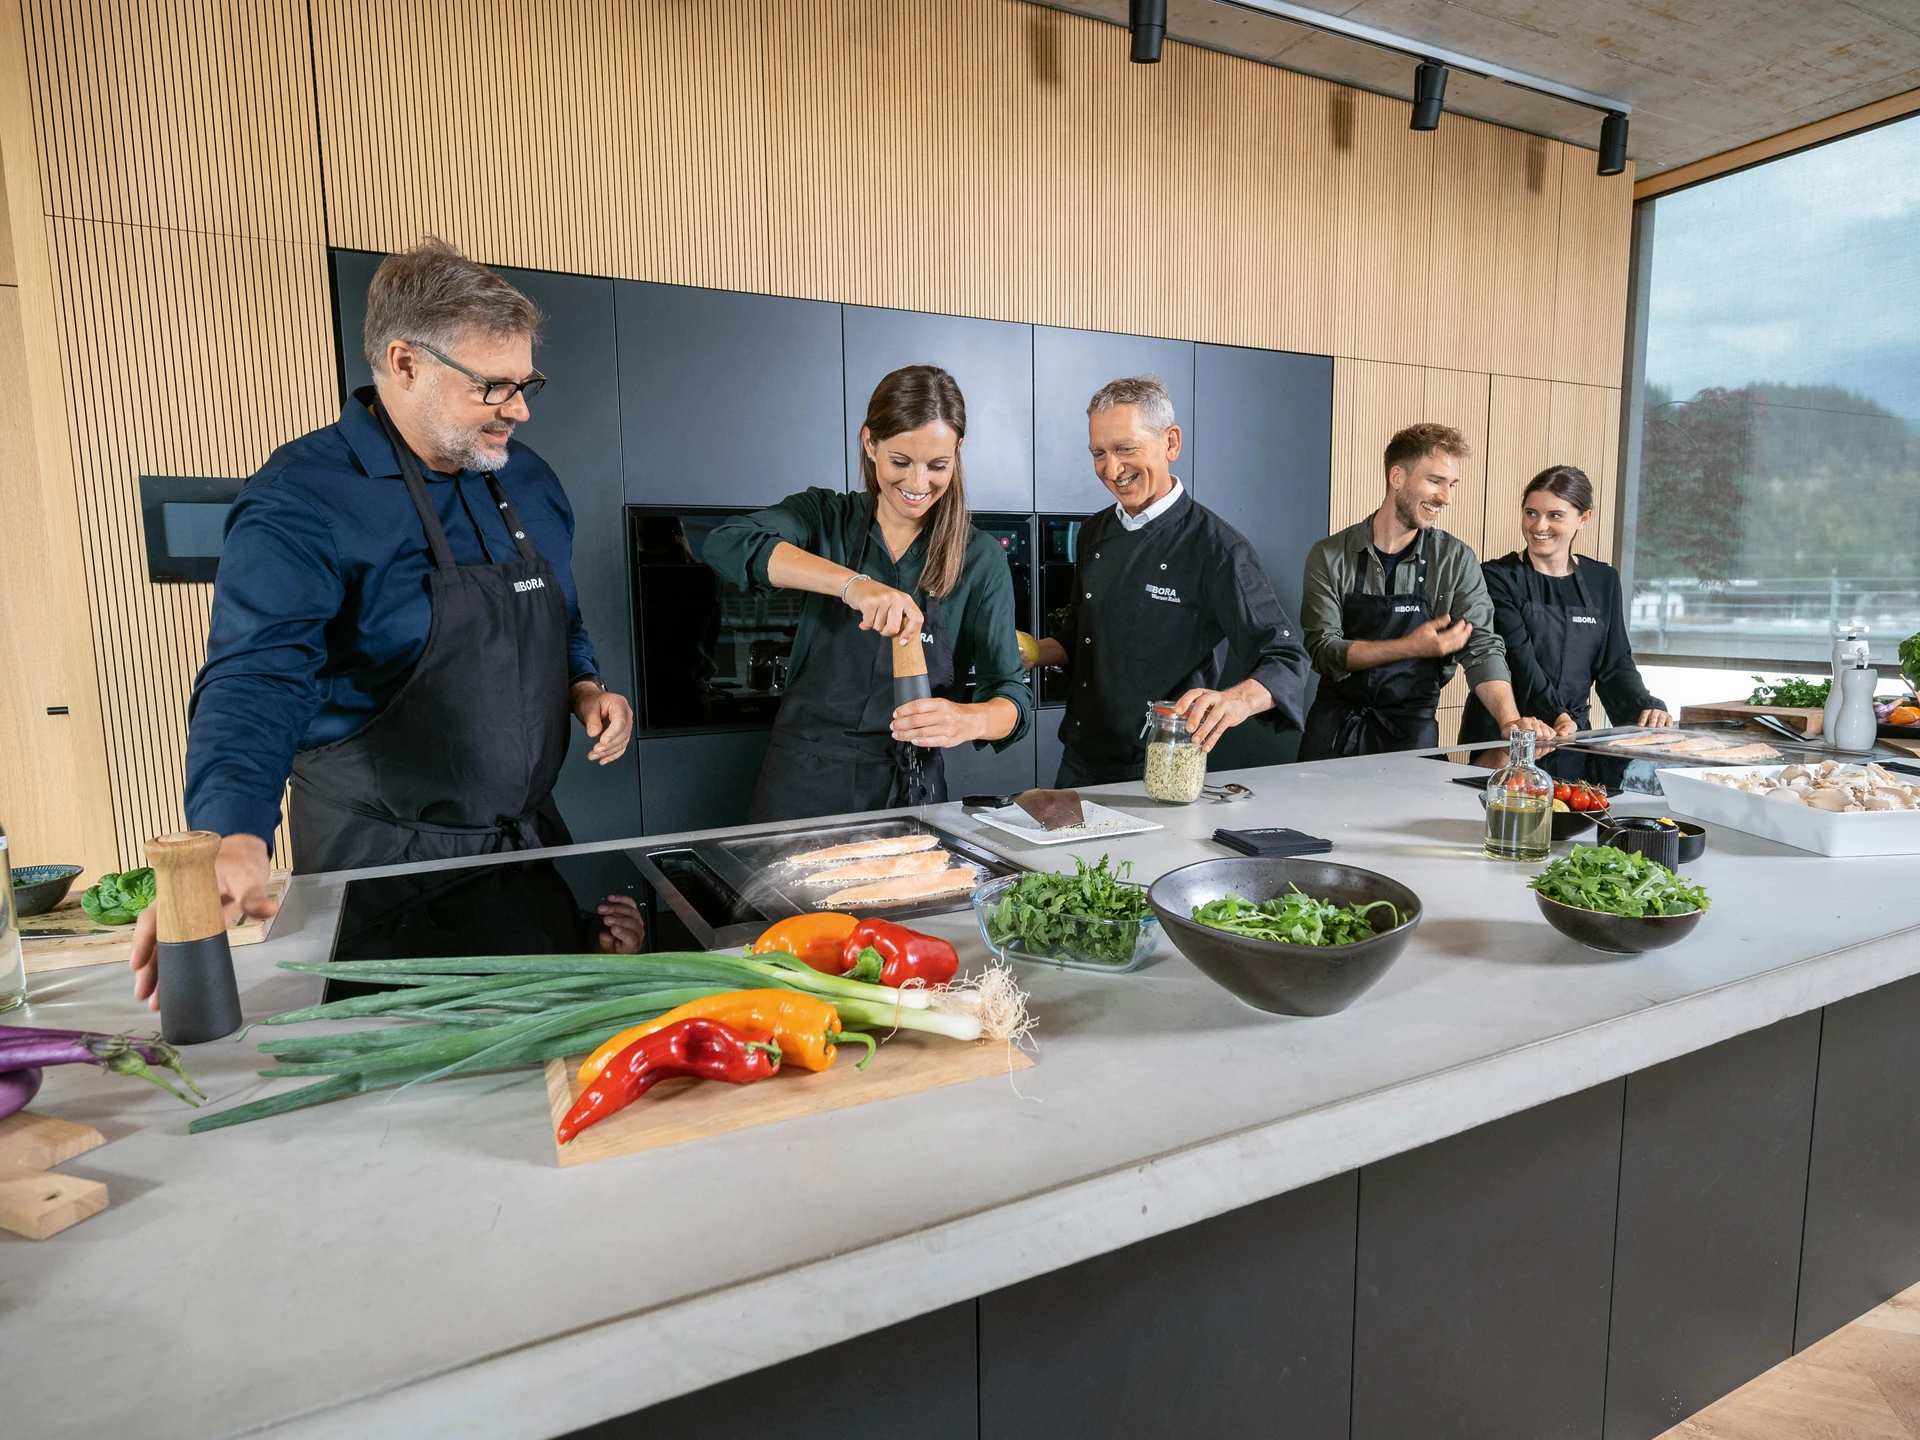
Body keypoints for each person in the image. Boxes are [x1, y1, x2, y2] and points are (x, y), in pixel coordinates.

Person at [129, 238, 636, 1007]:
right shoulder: (302, 498)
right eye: (494, 387)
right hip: (384, 880)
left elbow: (561, 611)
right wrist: (233, 836)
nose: (522, 409)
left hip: (526, 856)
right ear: (404, 363)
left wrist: (586, 681)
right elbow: (257, 679)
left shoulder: (527, 476)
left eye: (526, 382)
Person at [704, 365, 1032, 821]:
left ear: (958, 452)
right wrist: (852, 585)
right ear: (869, 443)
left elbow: (1012, 696)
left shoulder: (979, 558)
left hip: (911, 788)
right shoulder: (824, 518)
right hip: (803, 783)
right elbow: (727, 543)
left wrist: (968, 719)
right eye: (900, 462)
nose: (919, 485)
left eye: (937, 466)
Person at [1026, 376, 1309, 785]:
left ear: (1171, 443)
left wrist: (1235, 700)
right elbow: (1079, 638)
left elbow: (1287, 658)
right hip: (1078, 760)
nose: (1112, 469)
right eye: (1099, 453)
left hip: (1162, 766)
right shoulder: (1094, 532)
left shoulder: (1218, 549)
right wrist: (1033, 651)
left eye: (1125, 448)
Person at [1299, 423, 1556, 760]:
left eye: (1452, 485)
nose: (1446, 497)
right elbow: (1323, 651)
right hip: (1335, 732)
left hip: (1412, 736)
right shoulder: (1331, 555)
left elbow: (1482, 648)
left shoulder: (1455, 559)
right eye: (1435, 481)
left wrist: (1509, 720)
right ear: (1397, 477)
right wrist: (1409, 646)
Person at [1459, 464, 1672, 744]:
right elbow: (1520, 661)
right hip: (1510, 730)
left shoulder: (1603, 580)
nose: (1539, 526)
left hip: (1573, 732)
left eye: (1555, 515)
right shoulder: (1496, 577)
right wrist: (1556, 715)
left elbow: (1615, 663)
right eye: (1531, 513)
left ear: (1584, 518)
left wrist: (1646, 706)